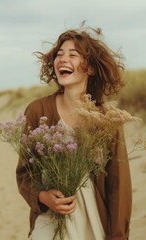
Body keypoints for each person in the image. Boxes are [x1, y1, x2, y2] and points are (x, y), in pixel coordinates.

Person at [16, 24, 132, 240]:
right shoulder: (38, 111)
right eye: (59, 55)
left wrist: (118, 236)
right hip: (49, 222)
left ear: (90, 68)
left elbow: (118, 186)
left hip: (93, 223)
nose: (63, 59)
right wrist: (42, 197)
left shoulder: (107, 121)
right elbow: (24, 173)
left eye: (73, 54)